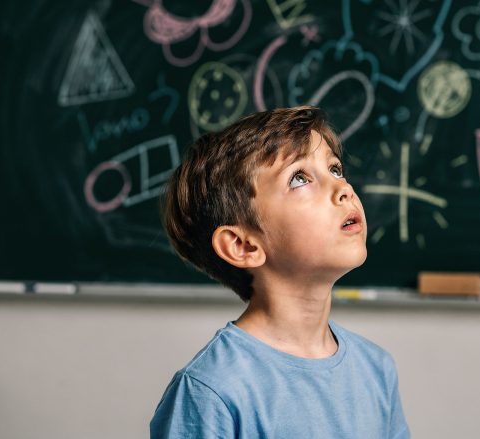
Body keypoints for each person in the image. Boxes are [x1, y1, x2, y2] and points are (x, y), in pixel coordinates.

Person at [150, 106, 410, 438]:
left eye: (336, 169)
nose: (343, 189)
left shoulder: (377, 370)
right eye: (300, 178)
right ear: (243, 246)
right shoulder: (212, 389)